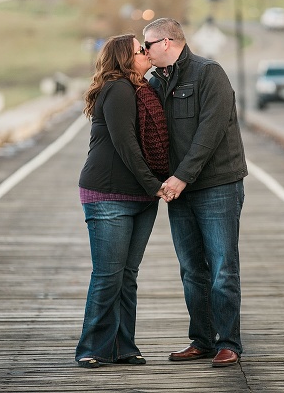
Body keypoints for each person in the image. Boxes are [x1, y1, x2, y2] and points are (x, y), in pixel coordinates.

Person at [142, 18, 248, 368]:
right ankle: (201, 340)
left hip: (217, 185)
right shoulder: (156, 81)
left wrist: (180, 178)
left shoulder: (208, 73)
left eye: (148, 46)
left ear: (167, 42)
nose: (145, 52)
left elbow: (210, 132)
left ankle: (228, 342)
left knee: (222, 267)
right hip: (179, 191)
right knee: (191, 270)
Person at [75, 34, 171, 369]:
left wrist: (152, 188)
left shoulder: (143, 89)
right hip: (109, 194)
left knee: (127, 275)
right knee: (108, 275)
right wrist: (155, 185)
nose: (146, 53)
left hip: (141, 196)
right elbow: (125, 143)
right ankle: (91, 348)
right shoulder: (117, 89)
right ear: (123, 59)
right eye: (139, 50)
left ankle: (122, 346)